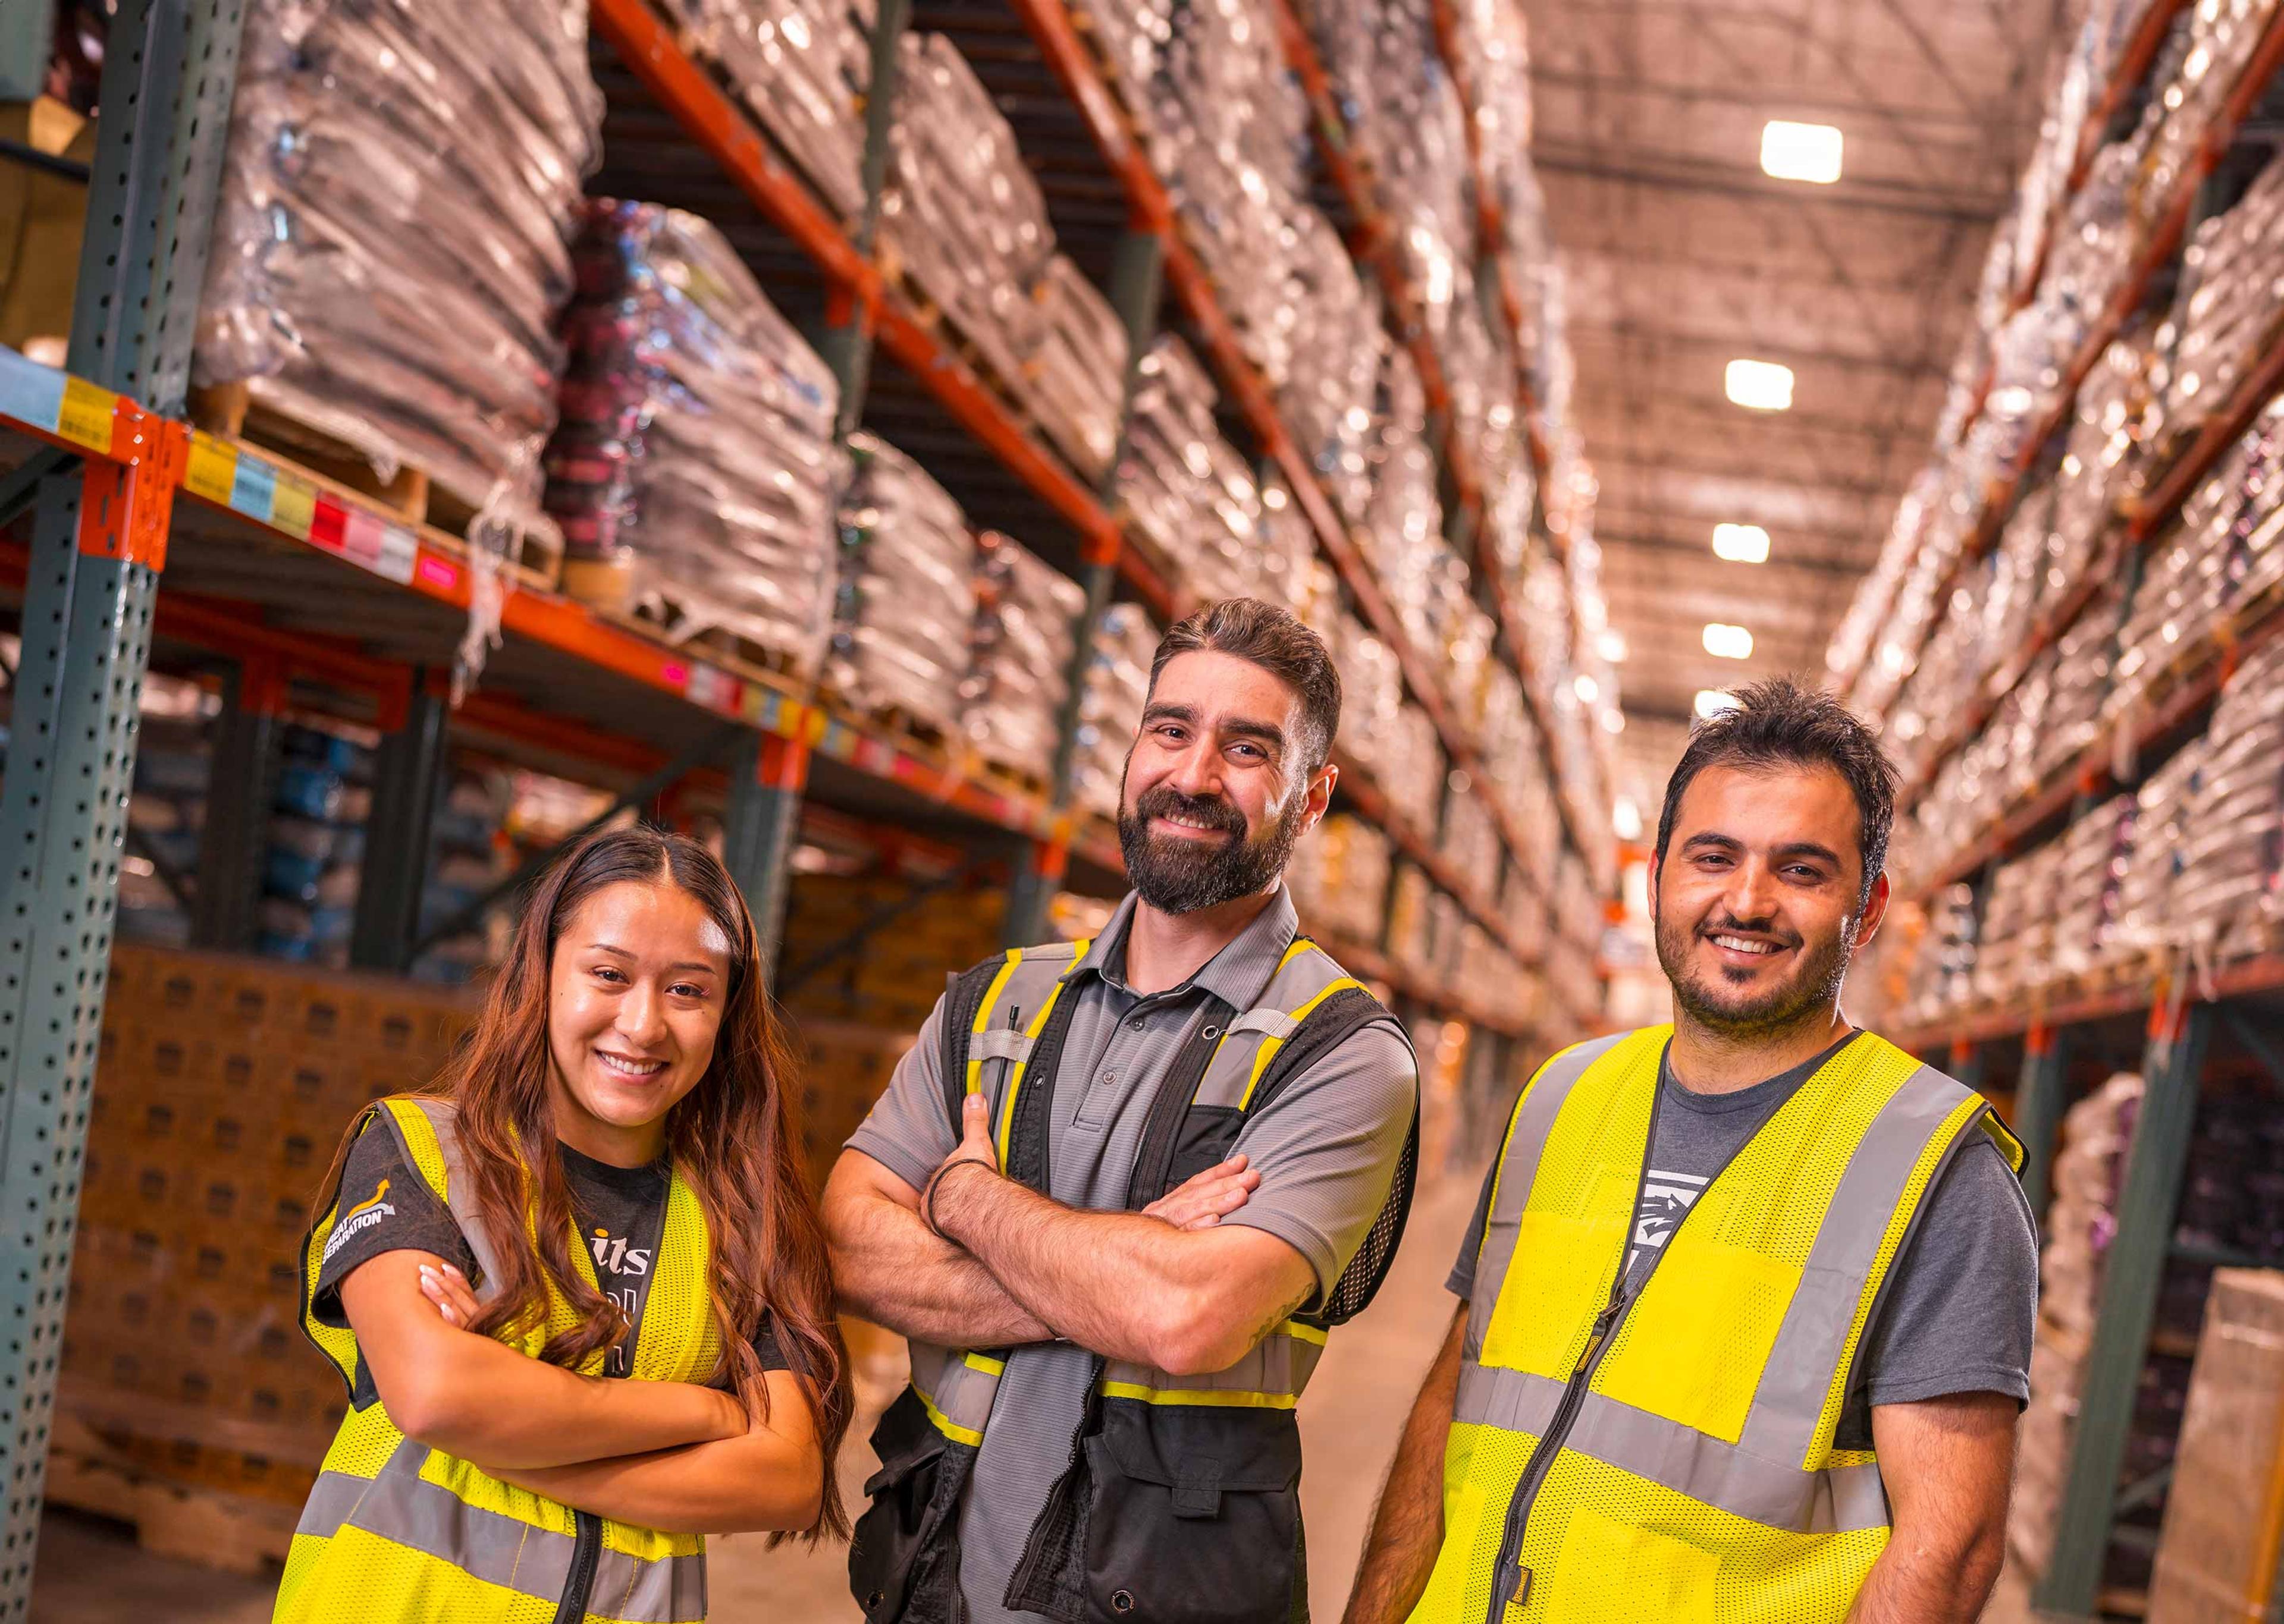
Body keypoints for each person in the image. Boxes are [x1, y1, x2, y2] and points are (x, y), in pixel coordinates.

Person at [1345, 676, 2038, 1624]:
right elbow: (1450, 1401)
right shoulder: (1562, 1096)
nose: (1747, 901)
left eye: (1802, 870)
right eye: (1715, 857)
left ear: (1867, 912)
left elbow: (1948, 1550)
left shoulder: (1939, 1171)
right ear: (1658, 878)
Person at [825, 597, 1423, 1624]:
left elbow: (1185, 1318)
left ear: (1313, 796)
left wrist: (964, 1198)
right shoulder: (994, 1000)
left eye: (1247, 748)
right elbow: (843, 1243)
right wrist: (1129, 1260)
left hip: (1158, 1598)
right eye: (1171, 729)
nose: (1192, 777)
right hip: (934, 1583)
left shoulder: (1344, 1055)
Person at [277, 827, 852, 1624]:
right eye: (609, 975)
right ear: (543, 975)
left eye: (688, 990)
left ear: (727, 1015)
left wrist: (511, 1432)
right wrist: (706, 1412)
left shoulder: (744, 1218)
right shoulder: (424, 1152)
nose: (644, 1025)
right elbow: (437, 1394)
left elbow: (786, 1478)